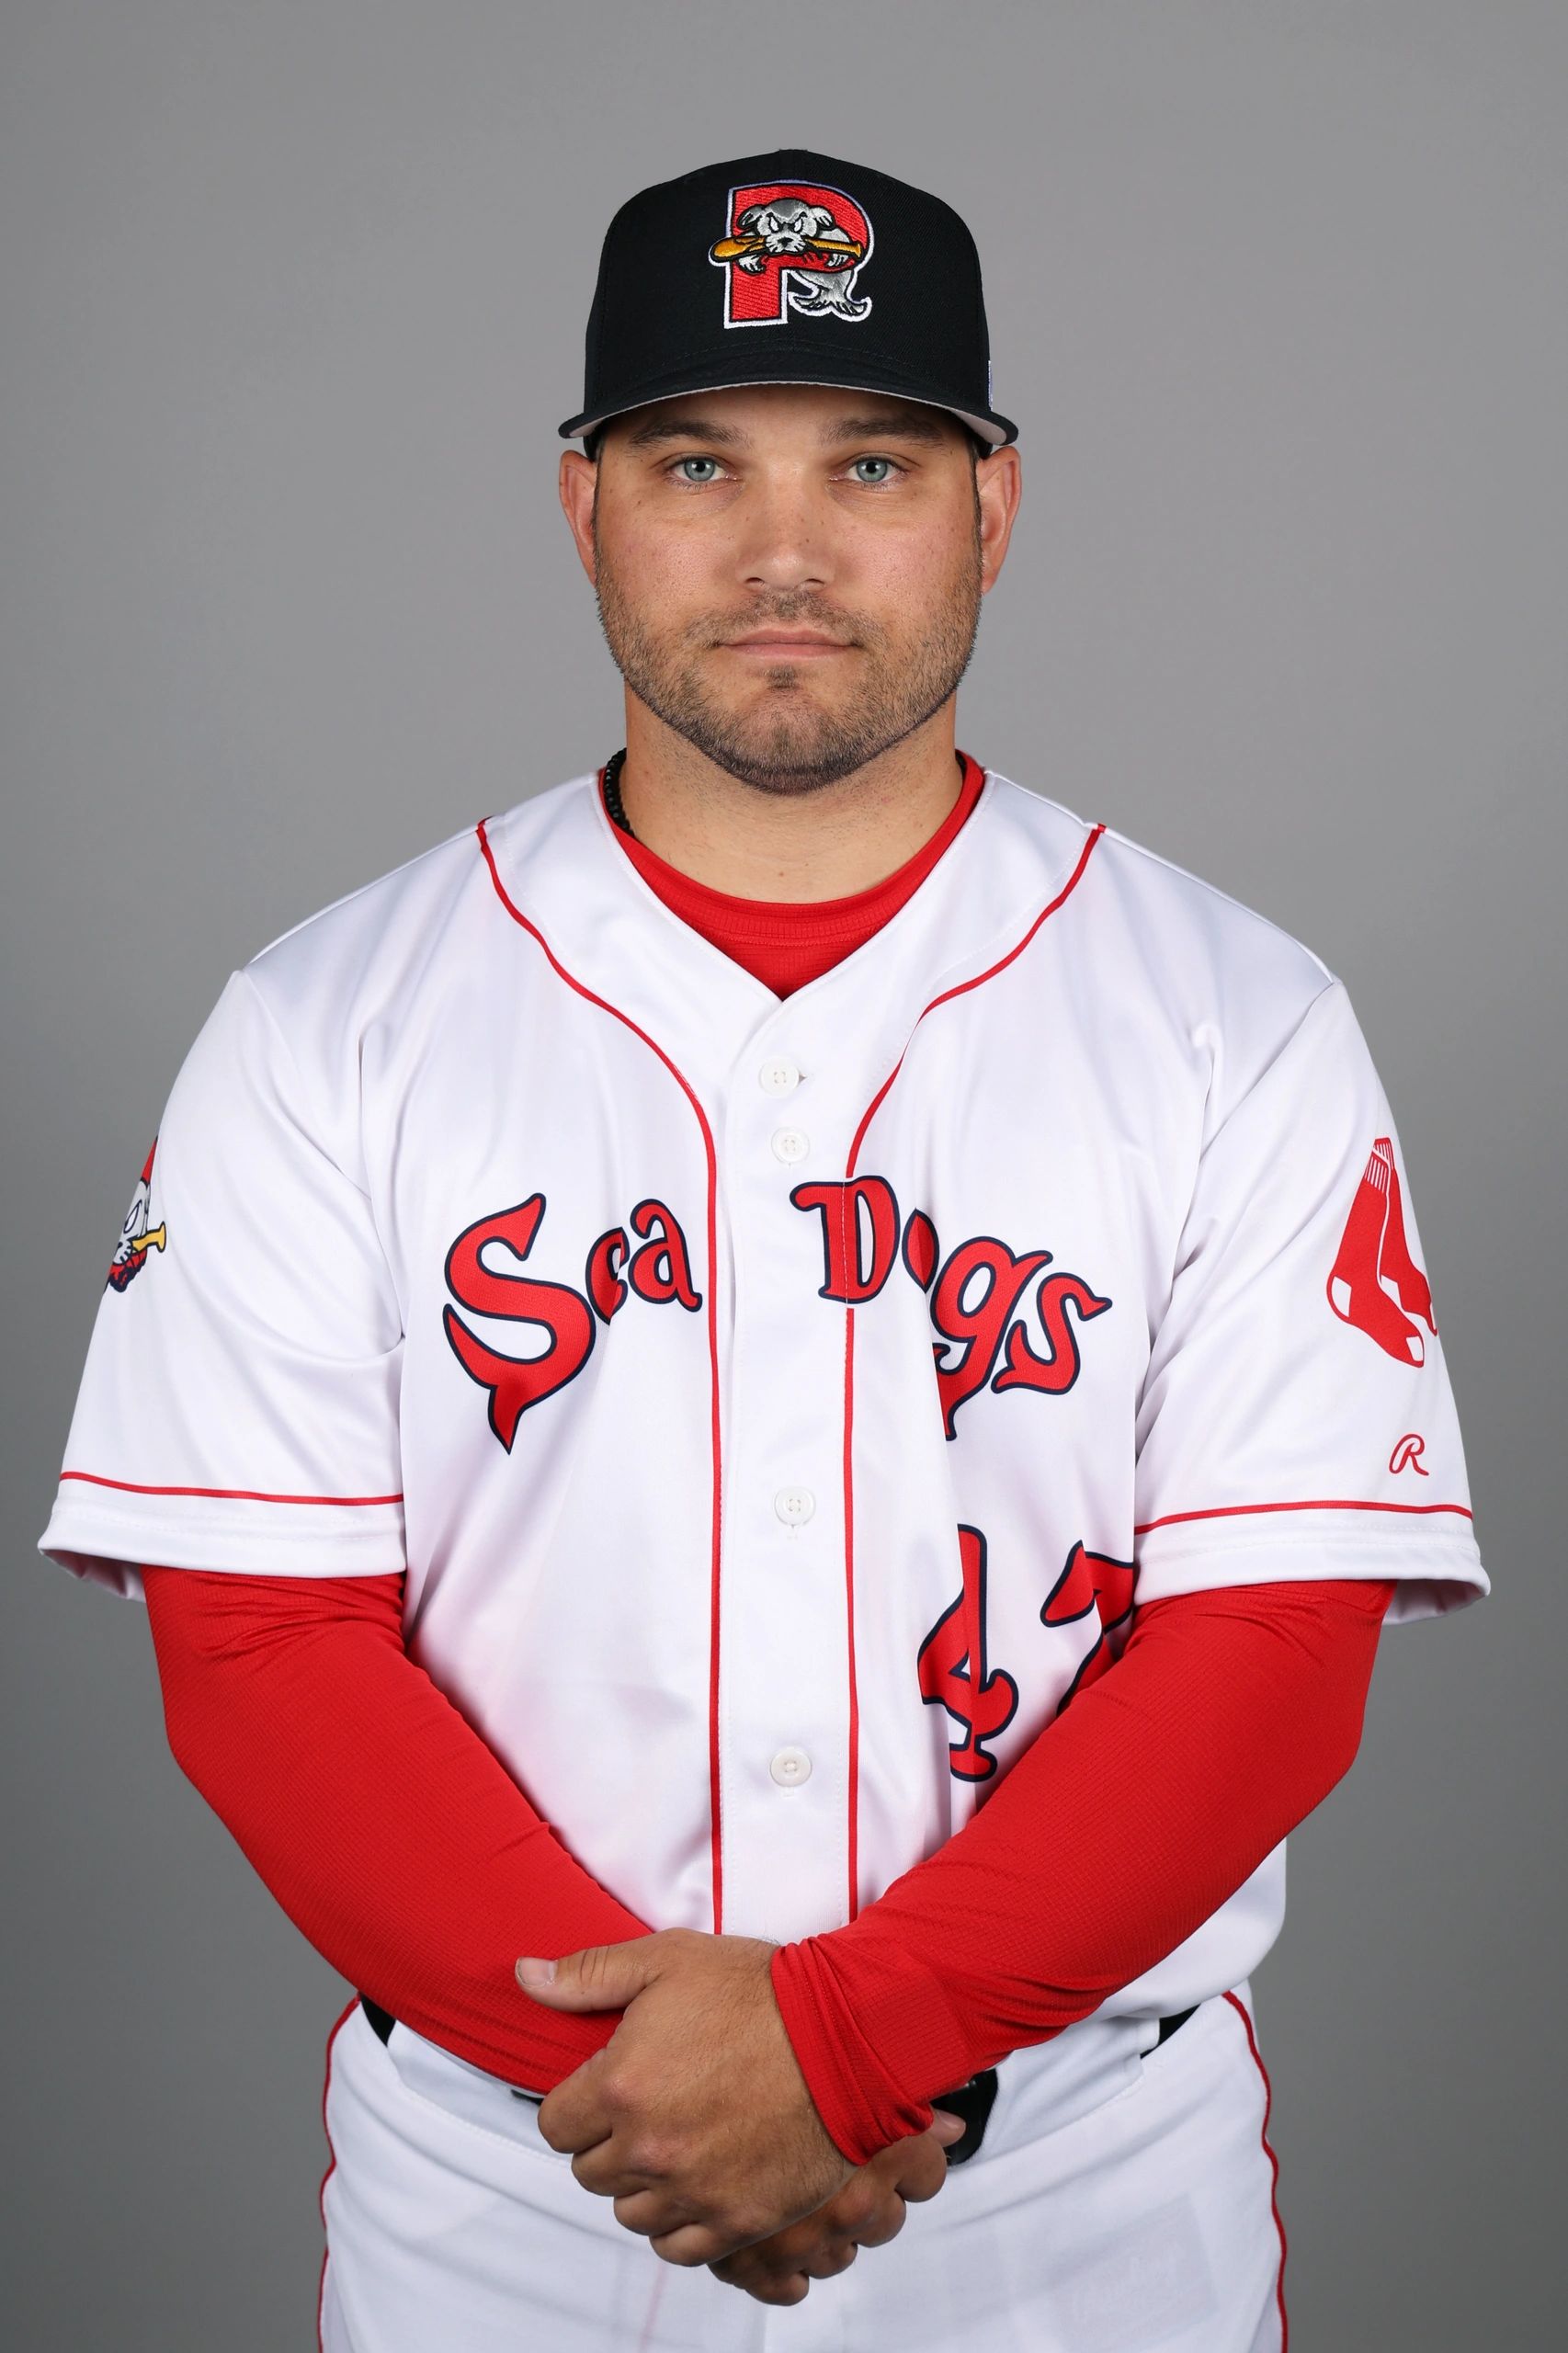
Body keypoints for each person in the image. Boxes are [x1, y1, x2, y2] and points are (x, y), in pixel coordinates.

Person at [38, 149, 1486, 2352]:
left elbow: (1270, 1643)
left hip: (1073, 2197)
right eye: (696, 461)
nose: (783, 550)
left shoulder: (1235, 1013)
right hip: (510, 2192)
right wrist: (669, 2087)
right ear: (584, 507)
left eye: (872, 464)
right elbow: (258, 1640)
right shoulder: (327, 1017)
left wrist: (847, 2042)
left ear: (992, 509)